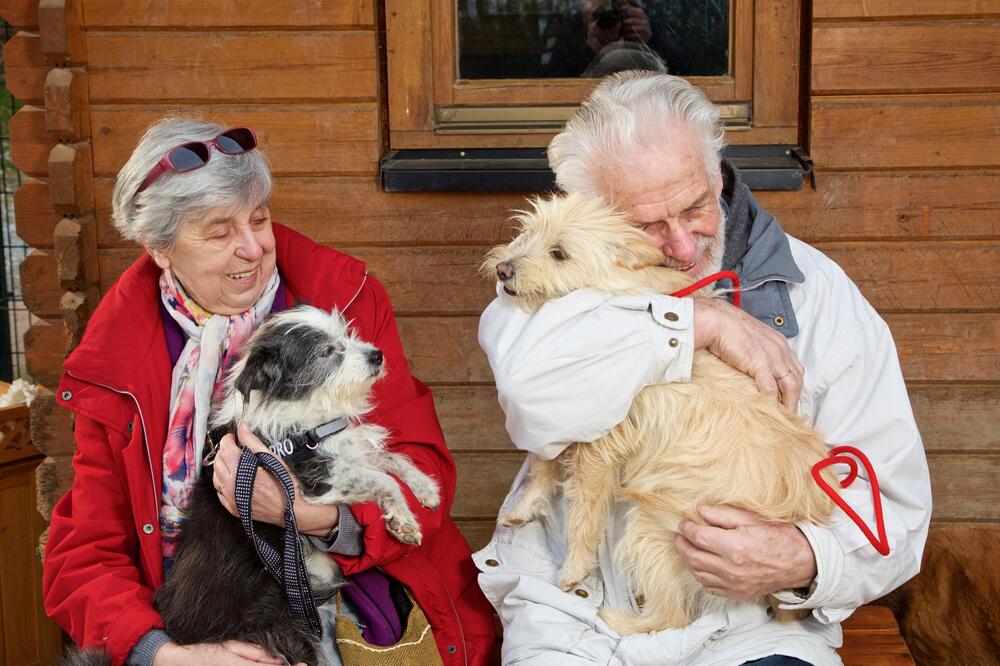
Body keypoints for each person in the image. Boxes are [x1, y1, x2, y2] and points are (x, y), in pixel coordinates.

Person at [476, 72, 931, 665]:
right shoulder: (547, 284)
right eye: (646, 226)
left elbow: (894, 510)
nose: (684, 248)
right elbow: (531, 396)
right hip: (571, 615)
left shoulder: (817, 293)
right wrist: (700, 323)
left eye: (694, 206)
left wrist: (805, 557)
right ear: (586, 212)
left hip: (750, 626)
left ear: (717, 173)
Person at [43, 117, 494, 666]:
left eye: (259, 220)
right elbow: (85, 553)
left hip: (358, 585)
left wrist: (312, 517)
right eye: (219, 231)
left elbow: (424, 470)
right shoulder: (114, 359)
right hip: (206, 604)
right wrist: (163, 654)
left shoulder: (341, 301)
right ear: (158, 248)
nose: (253, 248)